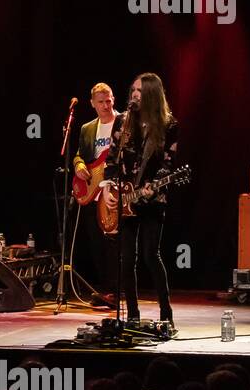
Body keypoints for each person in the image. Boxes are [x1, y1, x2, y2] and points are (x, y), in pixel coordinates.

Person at [107, 73, 179, 328]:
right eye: (133, 89)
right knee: (127, 259)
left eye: (140, 90)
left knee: (151, 255)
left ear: (151, 94)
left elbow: (169, 165)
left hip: (152, 199)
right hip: (125, 199)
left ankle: (166, 312)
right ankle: (133, 315)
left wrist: (152, 187)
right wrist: (110, 191)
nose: (134, 94)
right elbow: (111, 160)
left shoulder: (167, 125)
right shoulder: (122, 122)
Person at [72, 83, 121, 307]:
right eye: (100, 102)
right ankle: (106, 289)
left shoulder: (124, 122)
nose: (105, 105)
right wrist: (79, 165)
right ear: (92, 103)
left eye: (108, 100)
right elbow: (80, 155)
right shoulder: (87, 128)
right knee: (96, 240)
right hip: (93, 189)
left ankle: (117, 290)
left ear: (114, 99)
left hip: (114, 189)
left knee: (113, 240)